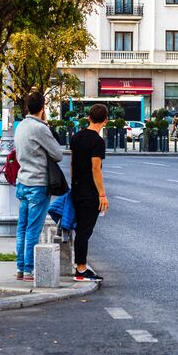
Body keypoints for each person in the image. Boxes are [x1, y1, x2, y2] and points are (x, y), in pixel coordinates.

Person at [14, 91, 62, 282]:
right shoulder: (40, 128)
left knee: (22, 227)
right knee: (33, 228)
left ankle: (20, 268)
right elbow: (58, 154)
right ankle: (28, 270)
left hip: (22, 181)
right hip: (38, 183)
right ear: (42, 108)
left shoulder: (21, 126)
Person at [70, 104, 109, 282]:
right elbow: (96, 168)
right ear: (105, 121)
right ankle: (81, 269)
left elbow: (72, 163)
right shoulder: (98, 141)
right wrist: (102, 194)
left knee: (80, 230)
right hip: (89, 192)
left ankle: (80, 266)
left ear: (89, 118)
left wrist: (74, 184)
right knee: (84, 231)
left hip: (77, 188)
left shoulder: (76, 137)